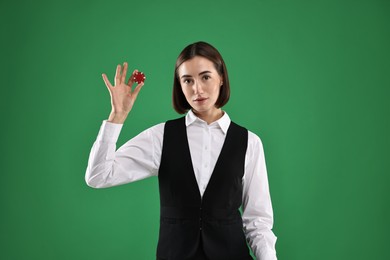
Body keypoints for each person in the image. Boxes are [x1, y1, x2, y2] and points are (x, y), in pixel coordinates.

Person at [85, 41, 277, 260]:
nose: (197, 89)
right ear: (180, 85)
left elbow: (258, 223)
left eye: (205, 77)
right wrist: (117, 117)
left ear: (221, 77)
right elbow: (98, 176)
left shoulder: (250, 142)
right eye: (188, 80)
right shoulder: (161, 137)